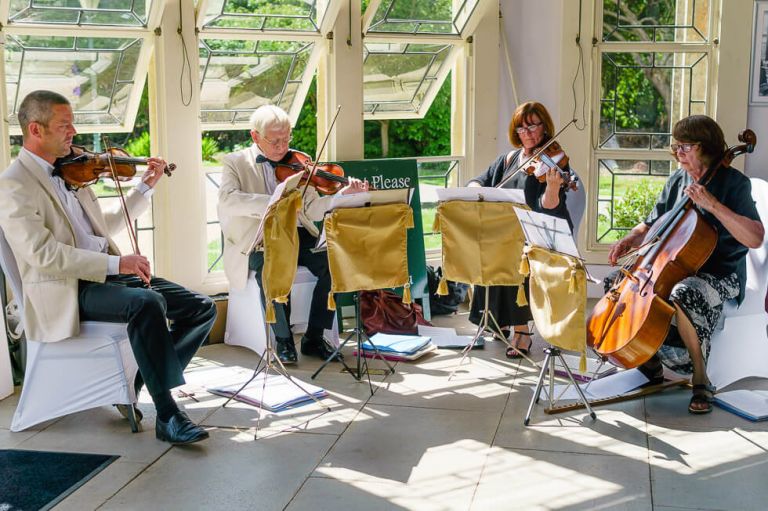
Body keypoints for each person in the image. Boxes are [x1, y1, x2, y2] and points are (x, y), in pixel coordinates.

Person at [0, 90, 216, 444]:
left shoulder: (74, 170)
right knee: (147, 303)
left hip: (107, 278)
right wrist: (118, 263)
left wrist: (143, 190)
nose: (73, 133)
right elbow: (44, 255)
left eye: (73, 125)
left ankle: (135, 383)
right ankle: (167, 414)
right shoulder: (13, 184)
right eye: (64, 126)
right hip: (67, 289)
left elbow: (103, 228)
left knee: (201, 308)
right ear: (36, 130)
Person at [606, 114, 764, 414]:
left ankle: (701, 377)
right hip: (677, 266)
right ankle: (649, 363)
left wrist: (713, 205)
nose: (678, 153)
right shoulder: (678, 179)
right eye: (675, 146)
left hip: (721, 273)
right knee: (617, 281)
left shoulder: (734, 184)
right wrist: (630, 239)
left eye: (685, 146)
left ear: (707, 147)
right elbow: (651, 223)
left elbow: (755, 238)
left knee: (684, 292)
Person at [218, 105, 368, 365]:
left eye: (286, 138)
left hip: (297, 234)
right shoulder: (235, 163)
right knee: (273, 266)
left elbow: (312, 210)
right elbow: (228, 201)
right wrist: (273, 201)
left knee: (332, 264)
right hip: (258, 239)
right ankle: (284, 340)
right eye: (274, 140)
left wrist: (339, 196)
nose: (281, 146)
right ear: (255, 137)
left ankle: (314, 337)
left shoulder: (300, 162)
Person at [467, 101, 576, 359]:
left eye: (532, 126)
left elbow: (548, 208)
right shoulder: (510, 159)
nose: (526, 133)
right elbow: (480, 180)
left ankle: (521, 331)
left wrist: (552, 187)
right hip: (508, 230)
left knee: (513, 254)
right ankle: (495, 320)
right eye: (521, 128)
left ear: (544, 127)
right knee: (489, 246)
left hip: (539, 231)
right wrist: (475, 189)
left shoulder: (554, 162)